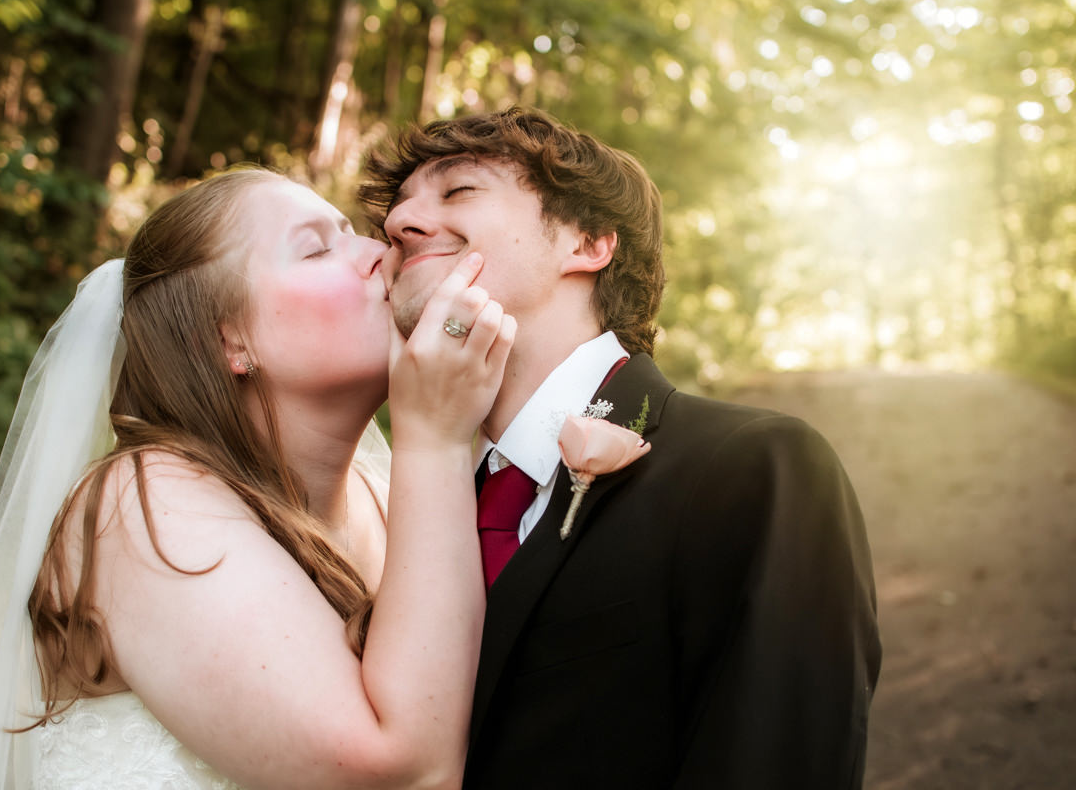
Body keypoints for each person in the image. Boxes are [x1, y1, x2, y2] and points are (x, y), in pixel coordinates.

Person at [0, 167, 516, 788]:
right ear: (228, 339)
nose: (380, 251)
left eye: (356, 233)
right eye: (316, 249)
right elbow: (403, 774)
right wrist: (435, 440)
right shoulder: (140, 507)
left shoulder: (388, 496)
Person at [360, 107, 881, 789]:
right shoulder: (414, 511)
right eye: (394, 213)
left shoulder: (756, 469)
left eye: (459, 191)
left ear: (588, 242)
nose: (400, 224)